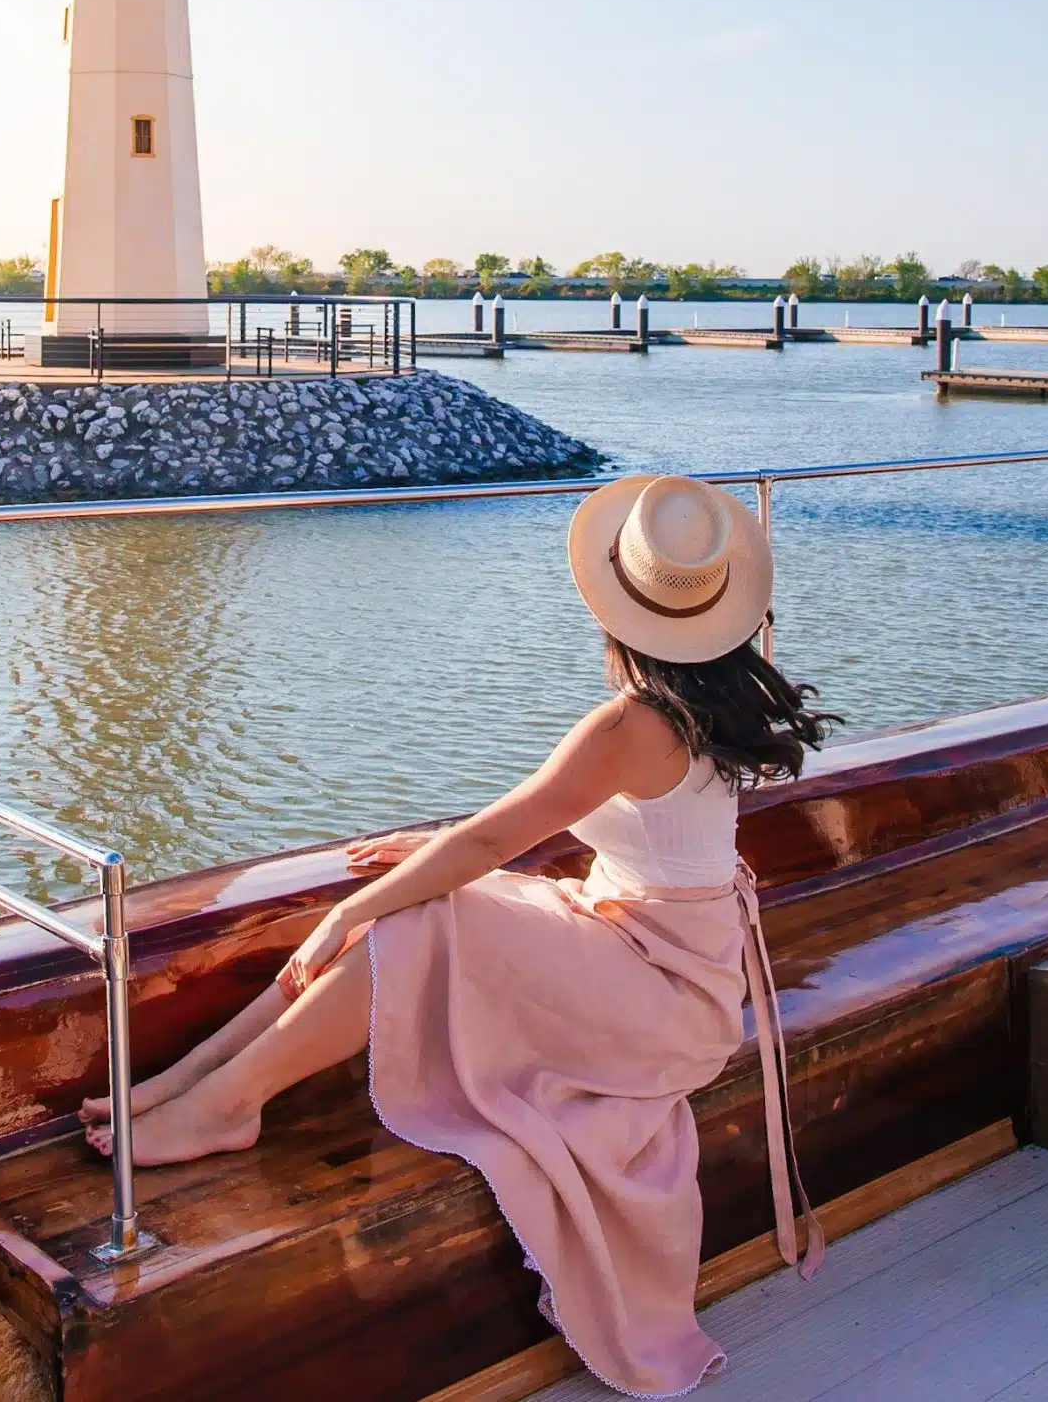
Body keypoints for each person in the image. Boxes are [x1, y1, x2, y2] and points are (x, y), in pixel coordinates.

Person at [81, 473, 836, 1397]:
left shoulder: (634, 722)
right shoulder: (713, 701)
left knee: (423, 913)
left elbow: (494, 839)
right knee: (437, 899)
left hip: (663, 994)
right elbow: (537, 826)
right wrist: (437, 854)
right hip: (672, 959)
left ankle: (226, 1102)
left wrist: (355, 905)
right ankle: (198, 1079)